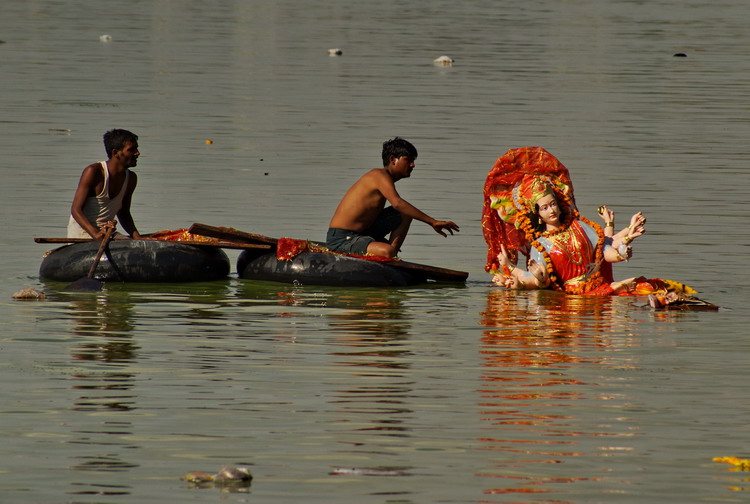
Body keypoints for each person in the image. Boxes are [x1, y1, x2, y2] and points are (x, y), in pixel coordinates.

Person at [326, 137, 459, 258]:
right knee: (387, 250)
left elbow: (401, 208)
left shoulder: (385, 178)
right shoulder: (379, 175)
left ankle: (391, 255)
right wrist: (433, 222)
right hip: (342, 239)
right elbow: (397, 203)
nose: (413, 165)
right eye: (408, 160)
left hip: (363, 233)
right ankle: (389, 254)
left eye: (413, 161)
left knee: (405, 214)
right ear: (392, 159)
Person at [67, 129, 145, 239]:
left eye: (136, 148)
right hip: (83, 236)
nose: (137, 153)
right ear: (115, 153)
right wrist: (95, 234)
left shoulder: (131, 178)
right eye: (131, 149)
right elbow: (76, 210)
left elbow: (124, 213)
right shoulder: (93, 172)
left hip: (108, 235)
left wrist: (138, 239)